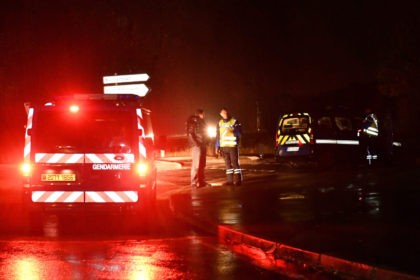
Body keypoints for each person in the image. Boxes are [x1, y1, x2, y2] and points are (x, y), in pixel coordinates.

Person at [215, 107, 242, 186]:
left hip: (232, 146)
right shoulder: (219, 123)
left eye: (225, 112)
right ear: (220, 114)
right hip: (224, 147)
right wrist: (217, 146)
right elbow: (218, 136)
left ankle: (238, 180)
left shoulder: (234, 121)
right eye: (222, 113)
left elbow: (240, 133)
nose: (224, 114)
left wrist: (234, 130)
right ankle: (229, 181)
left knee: (235, 163)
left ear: (227, 112)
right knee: (227, 164)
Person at [186, 109, 211, 188]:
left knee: (202, 164)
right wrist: (197, 144)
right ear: (199, 114)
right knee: (197, 164)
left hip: (202, 145)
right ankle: (195, 182)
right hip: (197, 146)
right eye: (203, 114)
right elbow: (190, 134)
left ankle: (201, 181)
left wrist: (208, 141)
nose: (204, 115)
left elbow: (205, 133)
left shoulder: (202, 122)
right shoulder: (193, 121)